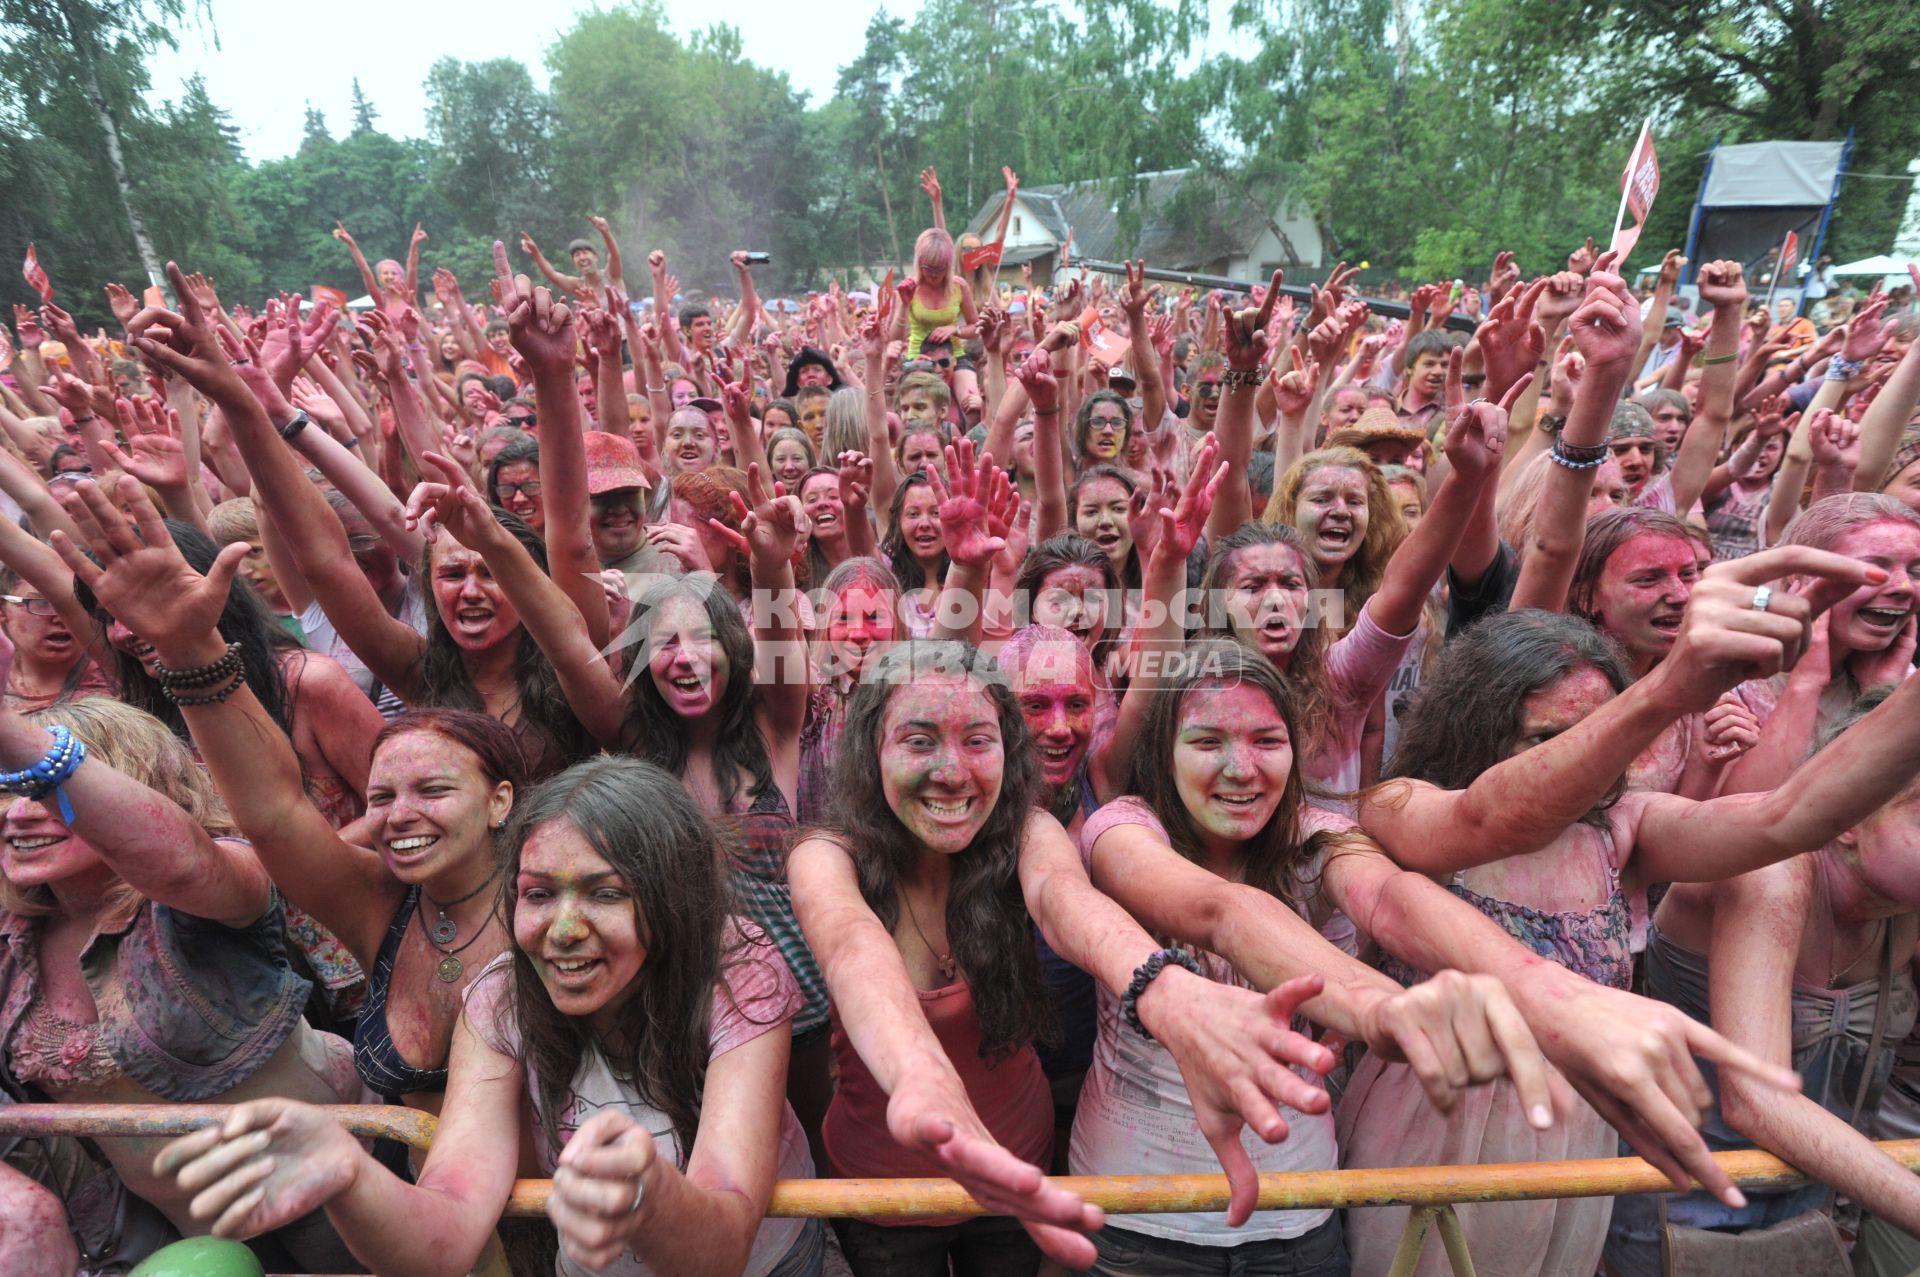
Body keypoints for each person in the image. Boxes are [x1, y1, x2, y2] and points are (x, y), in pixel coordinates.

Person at [1340, 545, 1920, 1276]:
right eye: (1551, 739)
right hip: (1437, 1120)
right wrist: (1669, 689)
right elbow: (1492, 817)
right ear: (1475, 728)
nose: (1587, 764)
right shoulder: (1401, 804)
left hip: (1581, 1128)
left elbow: (1786, 818)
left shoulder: (1627, 828)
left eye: (1603, 733)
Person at [791, 640, 1419, 1274]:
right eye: (920, 741)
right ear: (870, 753)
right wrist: (919, 1076)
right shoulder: (825, 855)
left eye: (977, 741)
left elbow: (1067, 903)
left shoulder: (1027, 833)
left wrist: (1165, 990)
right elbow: (852, 946)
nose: (952, 771)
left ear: (1008, 755)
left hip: (1018, 1173)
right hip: (882, 1193)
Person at [150, 757, 823, 1277]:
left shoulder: (739, 971)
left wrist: (648, 1193)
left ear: (674, 901)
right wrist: (352, 1178)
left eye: (605, 891)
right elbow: (444, 1234)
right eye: (537, 894)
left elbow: (724, 1243)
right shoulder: (502, 996)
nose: (562, 929)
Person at [0, 682, 359, 1272]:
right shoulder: (16, 933)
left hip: (334, 1195)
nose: (17, 814)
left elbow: (183, 866)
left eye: (42, 791)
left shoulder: (208, 887)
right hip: (182, 1232)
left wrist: (18, 736)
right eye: (8, 790)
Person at [1604, 687, 1920, 1276]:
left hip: (1815, 1215)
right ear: (1851, 818)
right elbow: (1757, 1100)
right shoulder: (1770, 869)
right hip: (1682, 1219)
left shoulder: (1905, 906)